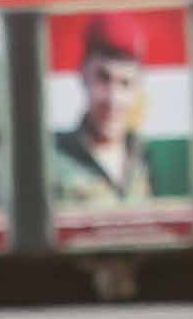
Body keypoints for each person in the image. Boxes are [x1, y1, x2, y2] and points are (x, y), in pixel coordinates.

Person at [48, 30, 154, 213]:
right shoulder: (52, 159)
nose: (113, 99)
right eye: (103, 79)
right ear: (83, 76)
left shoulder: (146, 158)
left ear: (138, 86)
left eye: (125, 83)